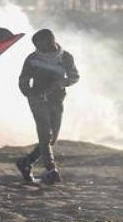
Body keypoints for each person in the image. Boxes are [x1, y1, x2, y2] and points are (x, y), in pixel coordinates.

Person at [15, 29, 79, 184]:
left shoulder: (65, 57)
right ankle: (51, 170)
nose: (38, 47)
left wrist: (63, 82)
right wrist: (29, 94)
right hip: (38, 100)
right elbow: (23, 80)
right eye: (36, 44)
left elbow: (74, 76)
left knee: (52, 138)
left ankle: (26, 162)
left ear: (50, 41)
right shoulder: (32, 59)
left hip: (57, 100)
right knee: (45, 134)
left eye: (41, 43)